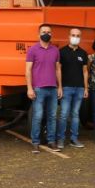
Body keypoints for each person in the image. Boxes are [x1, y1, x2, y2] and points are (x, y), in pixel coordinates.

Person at [25, 24, 62, 153]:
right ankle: (35, 142)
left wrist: (60, 87)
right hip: (38, 89)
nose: (46, 33)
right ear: (38, 34)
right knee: (38, 116)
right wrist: (30, 88)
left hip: (52, 88)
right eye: (43, 31)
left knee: (52, 116)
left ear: (51, 34)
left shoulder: (55, 50)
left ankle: (51, 141)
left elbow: (58, 69)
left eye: (48, 32)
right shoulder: (32, 50)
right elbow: (28, 70)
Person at [55, 28, 88, 149]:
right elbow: (58, 69)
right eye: (73, 35)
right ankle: (61, 139)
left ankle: (74, 139)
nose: (75, 37)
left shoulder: (83, 53)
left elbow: (85, 72)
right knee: (64, 114)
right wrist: (59, 87)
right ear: (69, 36)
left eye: (78, 35)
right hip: (66, 88)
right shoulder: (61, 52)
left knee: (75, 114)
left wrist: (85, 88)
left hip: (79, 89)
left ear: (80, 37)